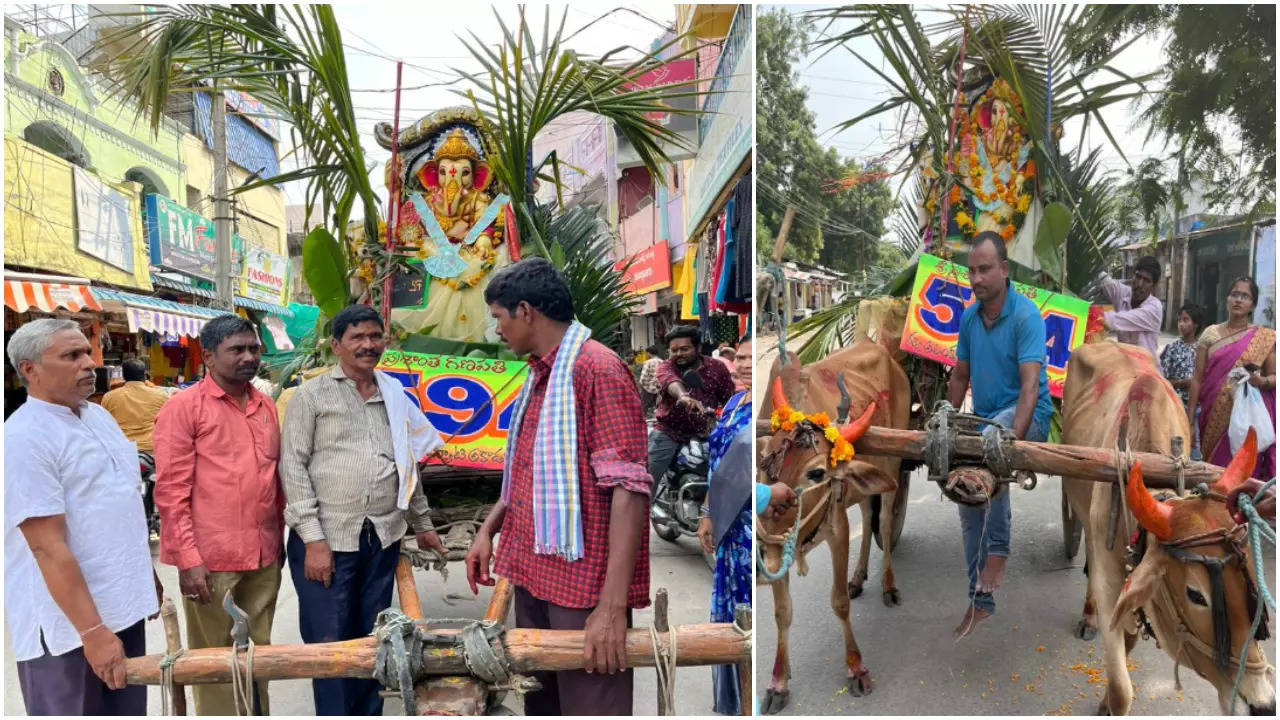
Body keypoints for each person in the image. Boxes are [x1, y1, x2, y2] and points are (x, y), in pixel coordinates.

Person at [465, 258, 651, 716]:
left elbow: (628, 490)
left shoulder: (596, 370)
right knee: (541, 704)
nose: (498, 331)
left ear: (524, 311)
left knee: (591, 708)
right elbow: (524, 471)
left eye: (498, 318)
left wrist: (610, 609)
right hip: (533, 578)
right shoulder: (539, 375)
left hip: (582, 591)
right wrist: (488, 530)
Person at [280, 304, 447, 716]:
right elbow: (293, 466)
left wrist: (422, 524)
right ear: (336, 345)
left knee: (374, 636)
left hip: (382, 535)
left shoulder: (393, 393)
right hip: (328, 539)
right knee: (331, 641)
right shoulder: (311, 395)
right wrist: (313, 539)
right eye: (357, 337)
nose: (368, 345)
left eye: (375, 336)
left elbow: (407, 464)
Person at [4, 318, 162, 715]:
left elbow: (118, 506)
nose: (89, 363)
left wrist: (147, 575)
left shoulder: (99, 417)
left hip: (121, 609)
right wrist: (92, 633)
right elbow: (46, 546)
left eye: (86, 353)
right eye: (71, 356)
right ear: (30, 370)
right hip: (71, 628)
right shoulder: (24, 437)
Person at [152, 314, 283, 715]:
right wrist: (188, 560)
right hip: (211, 562)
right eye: (237, 350)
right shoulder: (184, 408)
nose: (249, 357)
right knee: (213, 662)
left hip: (264, 556)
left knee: (259, 657)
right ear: (208, 356)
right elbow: (171, 492)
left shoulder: (264, 405)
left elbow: (273, 479)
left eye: (254, 348)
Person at [946, 232, 1053, 638]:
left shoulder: (1026, 317)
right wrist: (943, 423)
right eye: (972, 270)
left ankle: (1000, 553)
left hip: (1030, 418)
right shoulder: (970, 318)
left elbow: (1029, 390)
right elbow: (960, 375)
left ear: (1004, 270)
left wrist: (1008, 445)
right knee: (962, 489)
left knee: (990, 447)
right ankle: (980, 600)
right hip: (987, 418)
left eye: (985, 269)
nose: (976, 278)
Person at [695, 335, 755, 715]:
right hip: (727, 527)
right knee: (731, 612)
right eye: (741, 357)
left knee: (748, 611)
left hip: (751, 525)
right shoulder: (734, 403)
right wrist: (706, 513)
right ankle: (735, 702)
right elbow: (716, 466)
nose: (746, 365)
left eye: (752, 358)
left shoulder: (769, 406)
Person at [1187, 277, 1276, 479]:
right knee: (1214, 475)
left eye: (1245, 296)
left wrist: (1262, 382)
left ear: (1253, 305)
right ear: (1226, 299)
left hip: (1245, 419)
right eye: (1234, 294)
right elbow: (1197, 379)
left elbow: (1275, 377)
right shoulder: (1210, 333)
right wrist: (1189, 419)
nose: (1238, 300)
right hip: (1211, 418)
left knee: (1241, 477)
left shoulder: (1263, 338)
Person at [649, 325, 735, 488]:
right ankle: (642, 512)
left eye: (684, 349)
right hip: (670, 432)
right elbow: (671, 382)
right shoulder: (666, 367)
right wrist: (683, 396)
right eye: (673, 350)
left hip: (708, 433)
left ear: (698, 348)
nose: (678, 354)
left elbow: (729, 400)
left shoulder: (717, 368)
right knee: (646, 484)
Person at [1159, 302, 1203, 459]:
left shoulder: (1202, 349)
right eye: (1179, 320)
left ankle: (1195, 474)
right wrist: (1184, 383)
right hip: (1174, 404)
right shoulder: (1172, 348)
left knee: (1193, 444)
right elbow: (1163, 381)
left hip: (1195, 407)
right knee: (1173, 443)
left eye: (1186, 320)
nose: (1181, 324)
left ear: (1196, 324)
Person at [1098, 255, 1164, 358]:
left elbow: (1116, 320)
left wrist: (1092, 315)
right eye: (1138, 276)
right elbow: (1103, 280)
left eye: (1147, 280)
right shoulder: (1123, 293)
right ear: (1133, 276)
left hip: (1146, 370)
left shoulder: (1154, 308)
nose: (1140, 284)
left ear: (1153, 287)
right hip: (1125, 368)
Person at [101, 359, 170, 453]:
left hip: (122, 449)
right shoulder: (161, 395)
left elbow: (104, 426)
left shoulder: (109, 397)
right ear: (145, 375)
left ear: (124, 376)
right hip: (151, 450)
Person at [638, 344, 665, 417]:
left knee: (644, 406)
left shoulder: (648, 362)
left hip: (648, 387)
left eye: (647, 353)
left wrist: (641, 385)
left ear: (649, 353)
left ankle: (642, 420)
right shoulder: (662, 362)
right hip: (659, 387)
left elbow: (643, 377)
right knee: (659, 405)